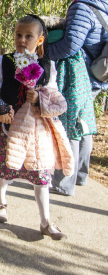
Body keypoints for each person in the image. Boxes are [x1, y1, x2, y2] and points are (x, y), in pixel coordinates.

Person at [0, 15, 69, 240]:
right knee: (5, 169)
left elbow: (53, 94)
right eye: (18, 35)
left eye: (29, 36)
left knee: (41, 174)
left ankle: (45, 221)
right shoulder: (3, 61)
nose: (22, 40)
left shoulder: (47, 65)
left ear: (39, 40)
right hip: (9, 124)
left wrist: (38, 97)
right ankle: (0, 203)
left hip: (36, 129)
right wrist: (0, 109)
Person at [48, 0, 108, 195]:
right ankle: (81, 175)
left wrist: (43, 53)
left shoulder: (82, 6)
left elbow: (70, 44)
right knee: (83, 125)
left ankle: (63, 182)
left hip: (78, 76)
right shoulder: (103, 6)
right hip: (96, 75)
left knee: (69, 126)